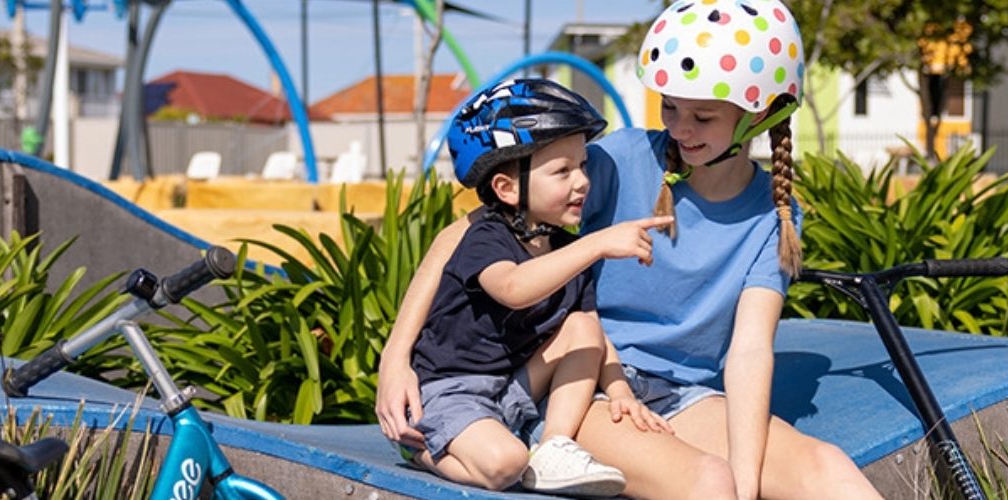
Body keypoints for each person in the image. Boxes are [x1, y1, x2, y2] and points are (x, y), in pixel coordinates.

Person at [376, 1, 884, 498]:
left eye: (703, 117)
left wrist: (748, 486)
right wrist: (395, 361)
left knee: (826, 468)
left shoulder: (774, 213)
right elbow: (468, 233)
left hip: (684, 396)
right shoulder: (618, 160)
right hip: (585, 385)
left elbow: (750, 352)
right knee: (709, 482)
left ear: (762, 114)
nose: (681, 129)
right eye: (670, 108)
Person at [393, 78, 676, 497]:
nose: (581, 181)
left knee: (583, 327)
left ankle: (553, 446)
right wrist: (599, 243)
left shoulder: (566, 250)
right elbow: (513, 287)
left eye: (582, 165)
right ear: (506, 188)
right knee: (505, 464)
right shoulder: (485, 239)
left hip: (511, 386)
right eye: (562, 171)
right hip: (451, 390)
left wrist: (620, 392)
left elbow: (593, 333)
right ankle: (423, 448)